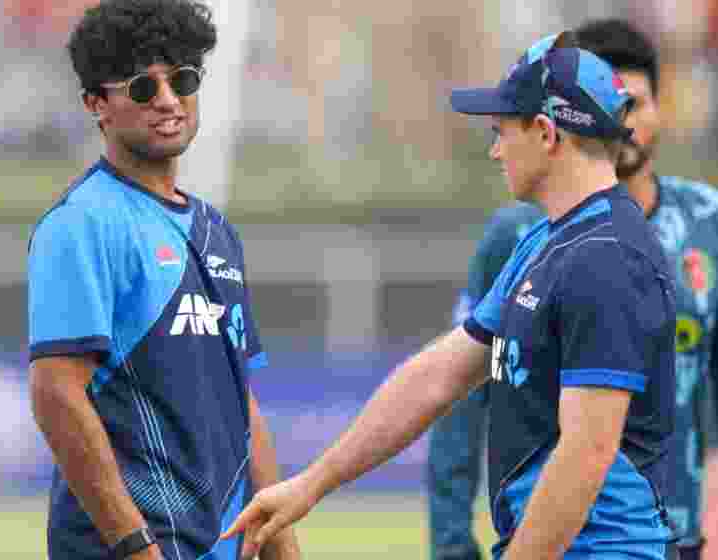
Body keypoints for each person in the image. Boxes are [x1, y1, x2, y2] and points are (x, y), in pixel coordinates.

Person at [224, 34, 680, 560]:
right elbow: (438, 377)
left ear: (545, 132)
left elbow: (586, 453)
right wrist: (310, 485)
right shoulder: (547, 241)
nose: (494, 150)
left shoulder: (607, 256)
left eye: (500, 131)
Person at [426, 19, 718, 560]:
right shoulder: (525, 235)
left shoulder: (704, 223)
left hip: (661, 531)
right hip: (557, 533)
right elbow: (452, 386)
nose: (623, 121)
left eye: (632, 104)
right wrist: (450, 537)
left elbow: (591, 450)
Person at [26, 1, 301, 559]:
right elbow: (56, 394)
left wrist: (282, 548)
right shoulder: (82, 223)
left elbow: (241, 404)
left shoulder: (216, 230)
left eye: (183, 80)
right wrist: (136, 547)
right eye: (143, 87)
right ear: (97, 104)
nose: (169, 99)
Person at [427, 204, 538, 560]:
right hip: (536, 525)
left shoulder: (688, 219)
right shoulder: (518, 233)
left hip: (658, 523)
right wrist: (452, 543)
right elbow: (458, 392)